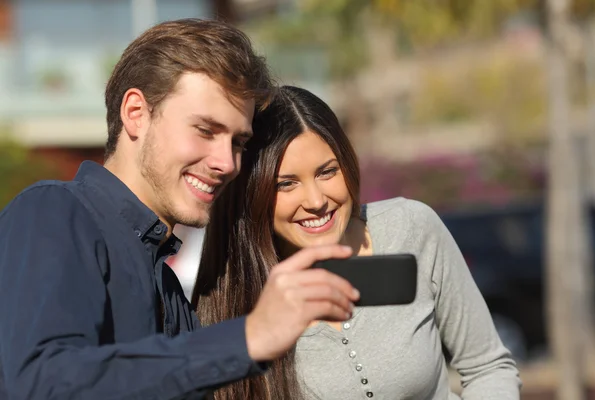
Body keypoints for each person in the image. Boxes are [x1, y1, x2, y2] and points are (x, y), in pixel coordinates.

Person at [0, 21, 360, 400]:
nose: (227, 162)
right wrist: (247, 339)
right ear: (136, 112)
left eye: (238, 141)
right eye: (205, 130)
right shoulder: (55, 212)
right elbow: (41, 383)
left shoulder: (169, 286)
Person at [193, 85, 522, 399]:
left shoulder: (410, 228)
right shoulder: (232, 291)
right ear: (252, 194)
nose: (316, 200)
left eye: (327, 172)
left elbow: (488, 365)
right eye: (287, 184)